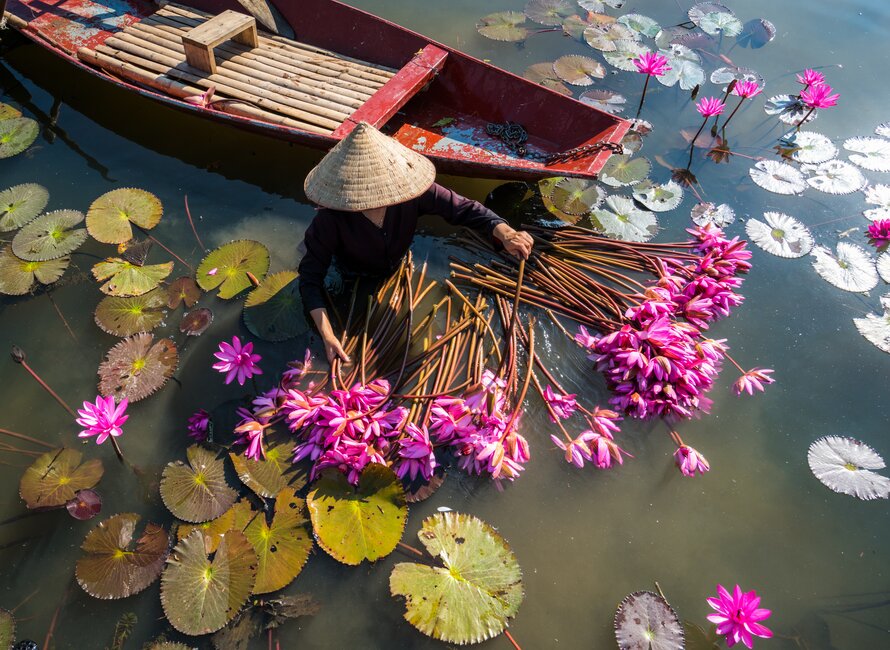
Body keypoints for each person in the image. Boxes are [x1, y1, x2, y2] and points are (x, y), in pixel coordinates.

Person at [298, 122, 533, 364]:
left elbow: (463, 208)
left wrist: (504, 231)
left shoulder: (410, 192)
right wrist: (327, 335)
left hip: (396, 263)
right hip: (352, 273)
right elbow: (309, 280)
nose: (377, 198)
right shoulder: (330, 219)